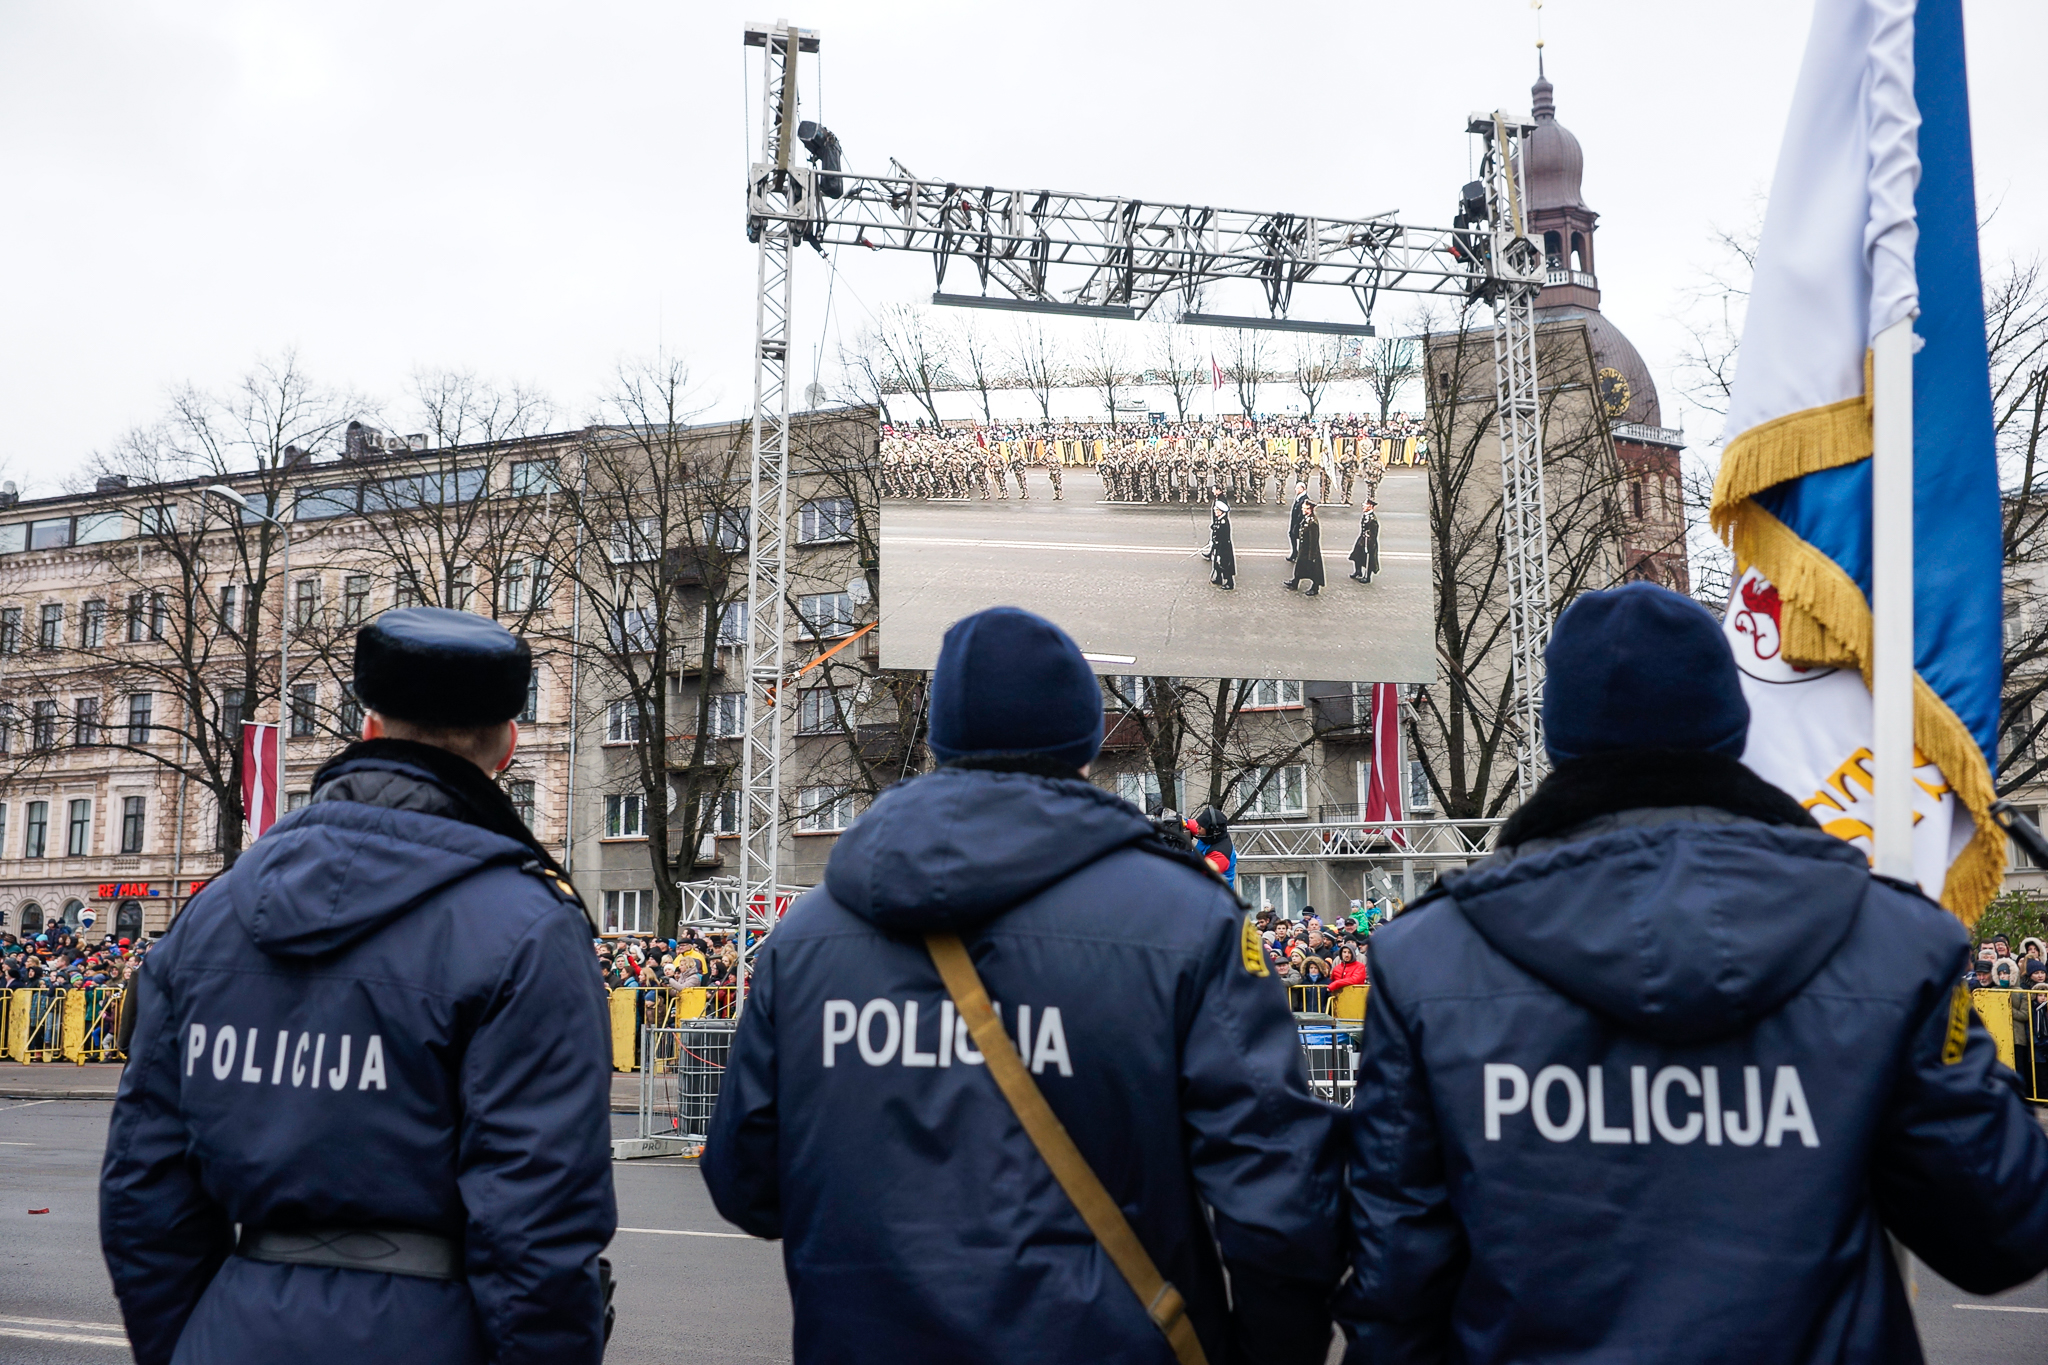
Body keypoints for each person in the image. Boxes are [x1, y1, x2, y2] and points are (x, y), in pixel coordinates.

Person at [1336, 582, 2048, 1364]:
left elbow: (1394, 1290)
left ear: (1558, 739)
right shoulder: (1889, 940)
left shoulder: (1428, 956)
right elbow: (2003, 1225)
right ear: (1733, 725)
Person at [705, 605, 1343, 1365]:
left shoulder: (805, 939)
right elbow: (1281, 1204)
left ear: (942, 739)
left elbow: (746, 1182)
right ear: (1082, 739)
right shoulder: (1185, 920)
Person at [100, 607, 617, 1365]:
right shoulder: (529, 926)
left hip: (232, 1325)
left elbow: (145, 1192)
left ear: (368, 730)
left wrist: (194, 1339)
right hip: (432, 1334)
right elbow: (535, 1222)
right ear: (506, 746)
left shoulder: (211, 913)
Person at [1284, 501, 1326, 597]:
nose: (1303, 509)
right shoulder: (1306, 518)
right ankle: (1295, 582)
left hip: (1310, 550)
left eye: (1305, 508)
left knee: (1313, 569)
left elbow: (1313, 540)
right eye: (1303, 508)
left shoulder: (1313, 522)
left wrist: (1312, 555)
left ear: (1310, 510)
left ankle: (1315, 588)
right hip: (1304, 548)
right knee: (1300, 566)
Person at [1209, 490, 1238, 591]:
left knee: (1225, 565)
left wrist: (1218, 546)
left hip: (1224, 547)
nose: (1216, 512)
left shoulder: (1224, 522)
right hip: (1218, 546)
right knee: (1217, 564)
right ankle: (1218, 578)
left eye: (1217, 511)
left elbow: (1224, 537)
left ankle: (1230, 583)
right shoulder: (1219, 519)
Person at [1347, 500, 1380, 584]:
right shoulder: (1366, 515)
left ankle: (1367, 577)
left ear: (1370, 507)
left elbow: (1374, 534)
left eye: (1365, 505)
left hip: (1369, 542)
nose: (1363, 506)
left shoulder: (1372, 519)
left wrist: (1369, 545)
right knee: (1356, 555)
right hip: (1362, 539)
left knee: (1369, 560)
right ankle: (1358, 571)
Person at [1287, 482, 1310, 562]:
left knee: (1298, 537)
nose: (1295, 490)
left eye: (1297, 488)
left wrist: (1297, 524)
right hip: (1295, 522)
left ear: (1302, 489)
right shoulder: (1299, 497)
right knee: (1292, 535)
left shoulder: (1304, 499)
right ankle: (1295, 552)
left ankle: (1297, 554)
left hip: (1298, 523)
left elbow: (1301, 513)